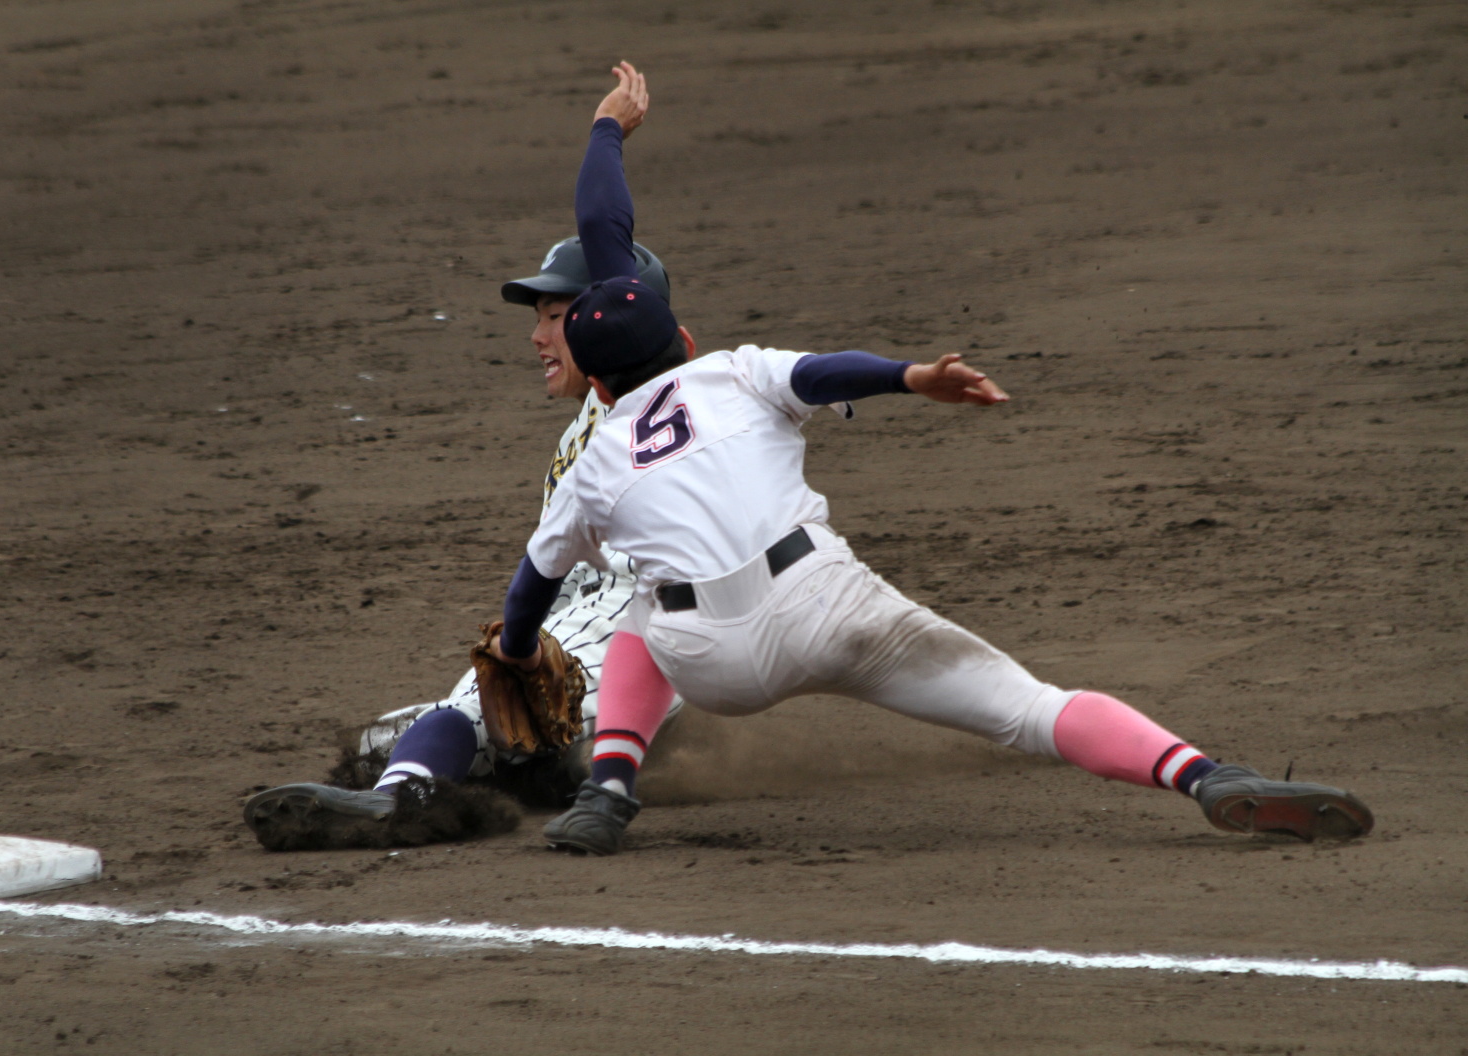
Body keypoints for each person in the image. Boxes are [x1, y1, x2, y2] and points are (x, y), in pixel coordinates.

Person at [484, 64, 1375, 856]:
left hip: (710, 661)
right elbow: (827, 367)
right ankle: (1204, 776)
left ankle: (608, 788)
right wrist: (913, 376)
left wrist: (522, 656)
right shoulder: (731, 372)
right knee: (1028, 708)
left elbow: (531, 586)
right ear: (676, 333)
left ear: (595, 367)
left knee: (646, 597)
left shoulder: (595, 459)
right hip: (828, 611)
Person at [243, 65, 682, 851]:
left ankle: (449, 793)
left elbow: (605, 228)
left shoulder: (655, 387)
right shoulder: (588, 413)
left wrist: (606, 130)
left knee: (473, 722)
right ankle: (456, 779)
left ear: (607, 319)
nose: (538, 336)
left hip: (654, 614)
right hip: (586, 613)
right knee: (398, 736)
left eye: (555, 316)